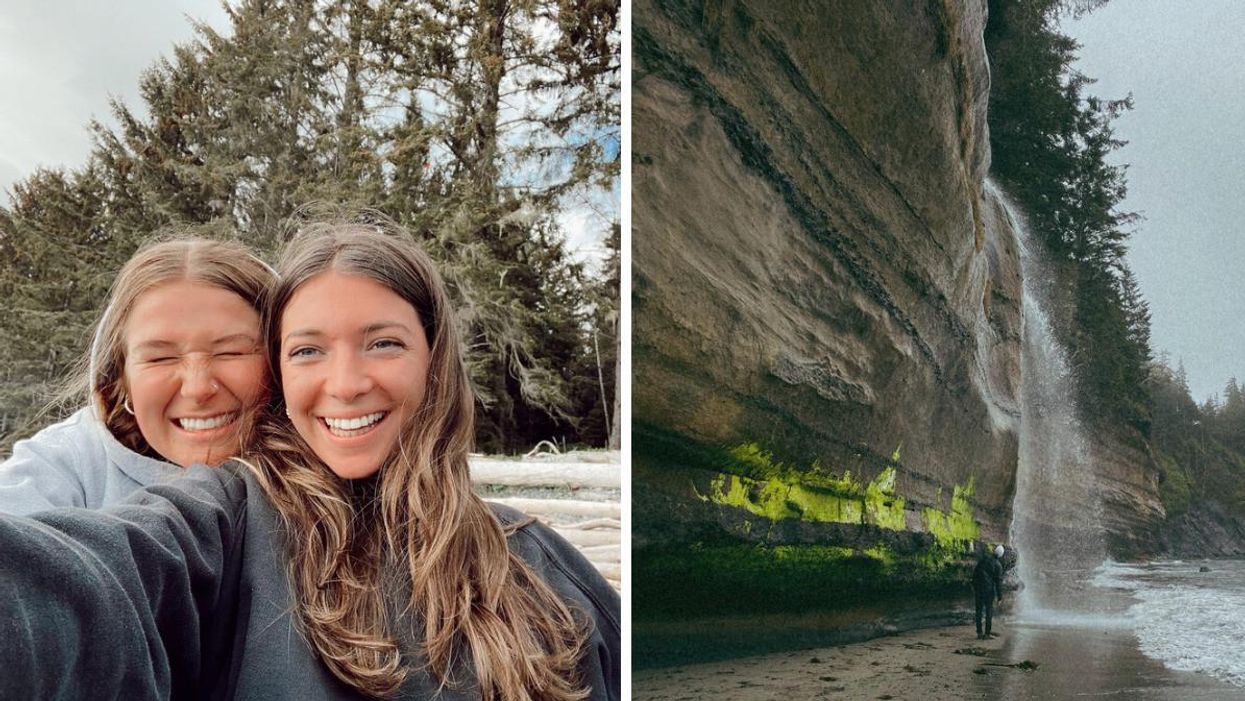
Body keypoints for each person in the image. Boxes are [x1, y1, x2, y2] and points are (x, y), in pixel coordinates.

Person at [0, 222, 619, 700]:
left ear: (437, 361)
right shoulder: (223, 524)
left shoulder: (538, 559)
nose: (345, 383)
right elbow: (84, 588)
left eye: (383, 343)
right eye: (307, 350)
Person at [0, 237, 274, 514]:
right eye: (160, 358)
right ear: (122, 377)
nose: (197, 388)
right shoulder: (69, 461)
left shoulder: (318, 456)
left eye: (231, 352)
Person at [973, 543, 1005, 640]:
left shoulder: (984, 559)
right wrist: (1000, 597)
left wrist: (974, 585)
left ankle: (979, 632)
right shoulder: (998, 565)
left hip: (979, 588)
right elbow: (998, 583)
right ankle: (987, 633)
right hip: (989, 590)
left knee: (978, 611)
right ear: (1000, 555)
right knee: (988, 611)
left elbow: (976, 571)